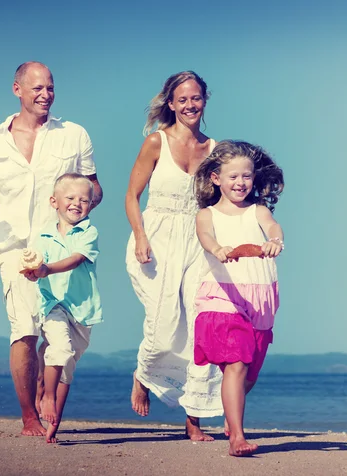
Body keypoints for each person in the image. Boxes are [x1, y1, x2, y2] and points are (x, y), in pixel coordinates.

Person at [0, 61, 102, 436]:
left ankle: (47, 387)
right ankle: (29, 415)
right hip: (13, 245)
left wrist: (78, 206)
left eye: (50, 87)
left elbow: (95, 188)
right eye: (37, 89)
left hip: (60, 246)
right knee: (25, 326)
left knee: (63, 333)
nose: (45, 95)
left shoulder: (74, 135)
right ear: (17, 90)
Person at [125, 71, 223, 440]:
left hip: (198, 241)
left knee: (200, 327)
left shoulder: (216, 149)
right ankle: (144, 374)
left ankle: (193, 420)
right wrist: (140, 237)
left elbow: (226, 198)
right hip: (156, 239)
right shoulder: (156, 142)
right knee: (164, 325)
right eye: (182, 100)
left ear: (205, 100)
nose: (189, 105)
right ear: (171, 103)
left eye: (195, 98)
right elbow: (131, 196)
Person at [192, 140, 284, 456]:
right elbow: (206, 237)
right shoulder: (207, 214)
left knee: (248, 371)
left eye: (246, 176)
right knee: (237, 360)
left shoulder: (259, 211)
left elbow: (273, 227)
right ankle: (237, 439)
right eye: (233, 177)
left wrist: (274, 241)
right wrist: (216, 249)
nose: (240, 183)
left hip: (260, 295)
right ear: (216, 177)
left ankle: (232, 415)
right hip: (222, 293)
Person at [23, 173, 103, 443]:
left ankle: (53, 424)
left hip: (83, 311)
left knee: (67, 365)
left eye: (84, 200)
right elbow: (37, 265)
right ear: (54, 201)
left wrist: (46, 269)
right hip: (53, 304)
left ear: (91, 205)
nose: (76, 203)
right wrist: (35, 273)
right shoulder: (43, 235)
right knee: (61, 349)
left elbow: (76, 259)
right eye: (70, 198)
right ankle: (46, 396)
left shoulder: (89, 232)